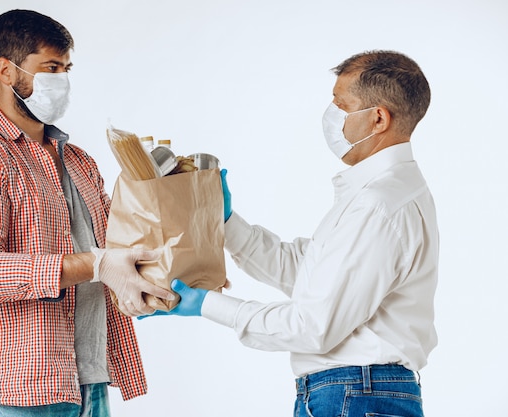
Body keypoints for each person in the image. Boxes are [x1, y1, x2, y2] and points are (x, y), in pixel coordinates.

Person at [147, 50, 438, 417]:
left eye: (341, 104)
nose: (331, 115)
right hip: (357, 393)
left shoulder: (378, 205)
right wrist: (226, 223)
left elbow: (313, 326)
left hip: (354, 394)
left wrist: (206, 304)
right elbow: (307, 276)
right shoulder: (382, 195)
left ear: (378, 118)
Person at [0, 9, 174, 417]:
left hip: (88, 380)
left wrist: (153, 257)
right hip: (14, 390)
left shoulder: (79, 161)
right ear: (6, 71)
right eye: (50, 68)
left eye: (66, 68)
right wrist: (95, 264)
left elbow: (118, 249)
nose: (62, 81)